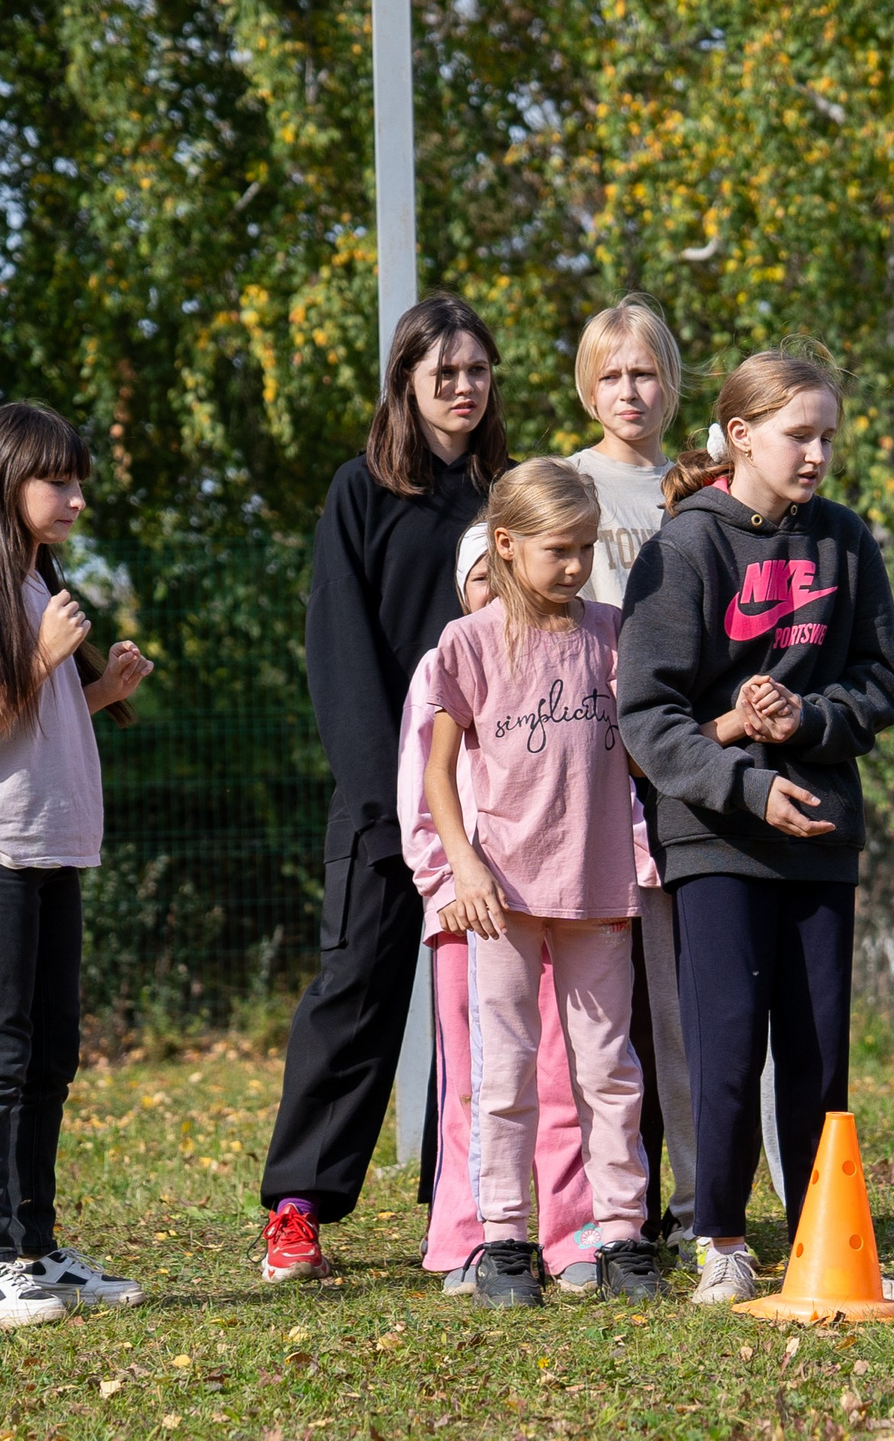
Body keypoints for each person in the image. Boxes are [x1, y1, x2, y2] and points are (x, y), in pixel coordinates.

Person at [616, 346, 894, 1308]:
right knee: (728, 1041)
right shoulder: (684, 548)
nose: (819, 453)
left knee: (820, 1053)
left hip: (823, 832)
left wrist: (811, 720)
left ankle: (820, 1245)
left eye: (829, 435)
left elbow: (883, 681)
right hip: (718, 838)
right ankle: (722, 1241)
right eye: (800, 434)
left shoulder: (846, 539)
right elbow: (647, 716)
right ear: (740, 435)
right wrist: (745, 782)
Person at [260, 293, 510, 1284]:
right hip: (386, 801)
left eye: (476, 371)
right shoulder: (358, 491)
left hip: (496, 804)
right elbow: (340, 657)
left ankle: (473, 1204)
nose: (461, 386)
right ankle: (296, 1205)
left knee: (482, 1006)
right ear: (406, 380)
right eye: (442, 370)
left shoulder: (510, 496)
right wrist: (389, 801)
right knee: (356, 992)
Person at [0, 401, 154, 1327]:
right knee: (0, 1056)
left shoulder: (30, 580)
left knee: (51, 1053)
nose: (75, 497)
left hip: (52, 850)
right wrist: (42, 654)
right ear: (5, 478)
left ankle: (34, 1249)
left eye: (77, 480)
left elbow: (22, 728)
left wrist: (95, 690)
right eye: (57, 480)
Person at [426, 457, 663, 1309]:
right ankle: (504, 1240)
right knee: (506, 1073)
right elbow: (439, 770)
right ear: (506, 544)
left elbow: (643, 743)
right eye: (559, 550)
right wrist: (464, 864)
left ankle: (624, 1235)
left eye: (586, 549)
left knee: (607, 1069)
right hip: (503, 900)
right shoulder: (468, 643)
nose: (575, 566)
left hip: (597, 887)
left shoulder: (611, 630)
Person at [406, 523, 604, 1296]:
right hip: (470, 908)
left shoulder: (578, 647)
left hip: (560, 899)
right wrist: (446, 883)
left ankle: (568, 1232)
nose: (494, 591)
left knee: (560, 1071)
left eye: (502, 576)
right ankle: (468, 1237)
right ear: (464, 588)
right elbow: (422, 783)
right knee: (478, 1079)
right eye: (479, 579)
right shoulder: (448, 659)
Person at [563, 296, 705, 1258]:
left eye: (644, 372)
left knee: (680, 1001)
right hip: (579, 769)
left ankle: (701, 1206)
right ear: (587, 385)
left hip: (682, 763)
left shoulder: (702, 486)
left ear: (671, 382)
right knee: (593, 1011)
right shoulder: (559, 483)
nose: (629, 390)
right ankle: (604, 1215)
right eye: (611, 374)